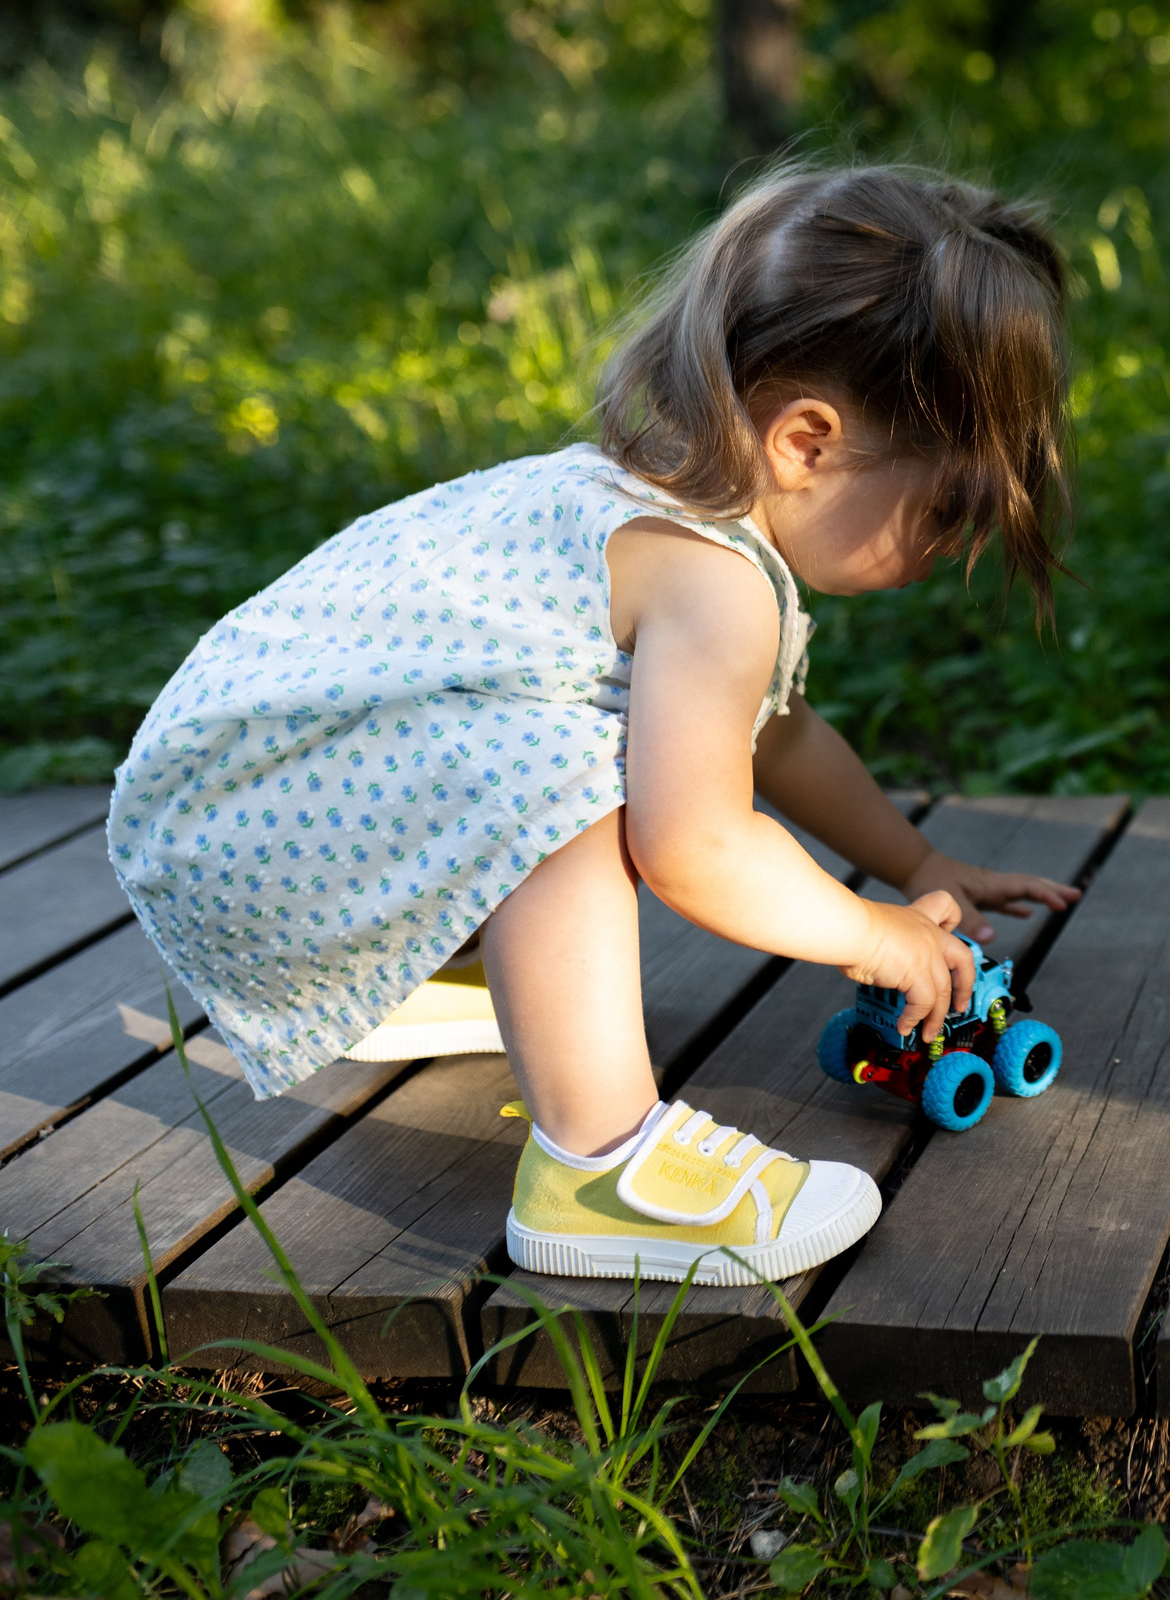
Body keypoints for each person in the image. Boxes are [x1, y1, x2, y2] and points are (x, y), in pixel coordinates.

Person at [107, 162, 1083, 1283]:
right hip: (255, 828)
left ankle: (430, 976)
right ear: (805, 442)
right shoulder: (710, 583)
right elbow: (694, 849)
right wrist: (874, 934)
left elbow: (780, 736)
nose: (955, 548)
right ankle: (602, 1164)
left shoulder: (640, 511)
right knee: (568, 773)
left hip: (238, 812)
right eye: (949, 507)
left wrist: (914, 862)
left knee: (551, 740)